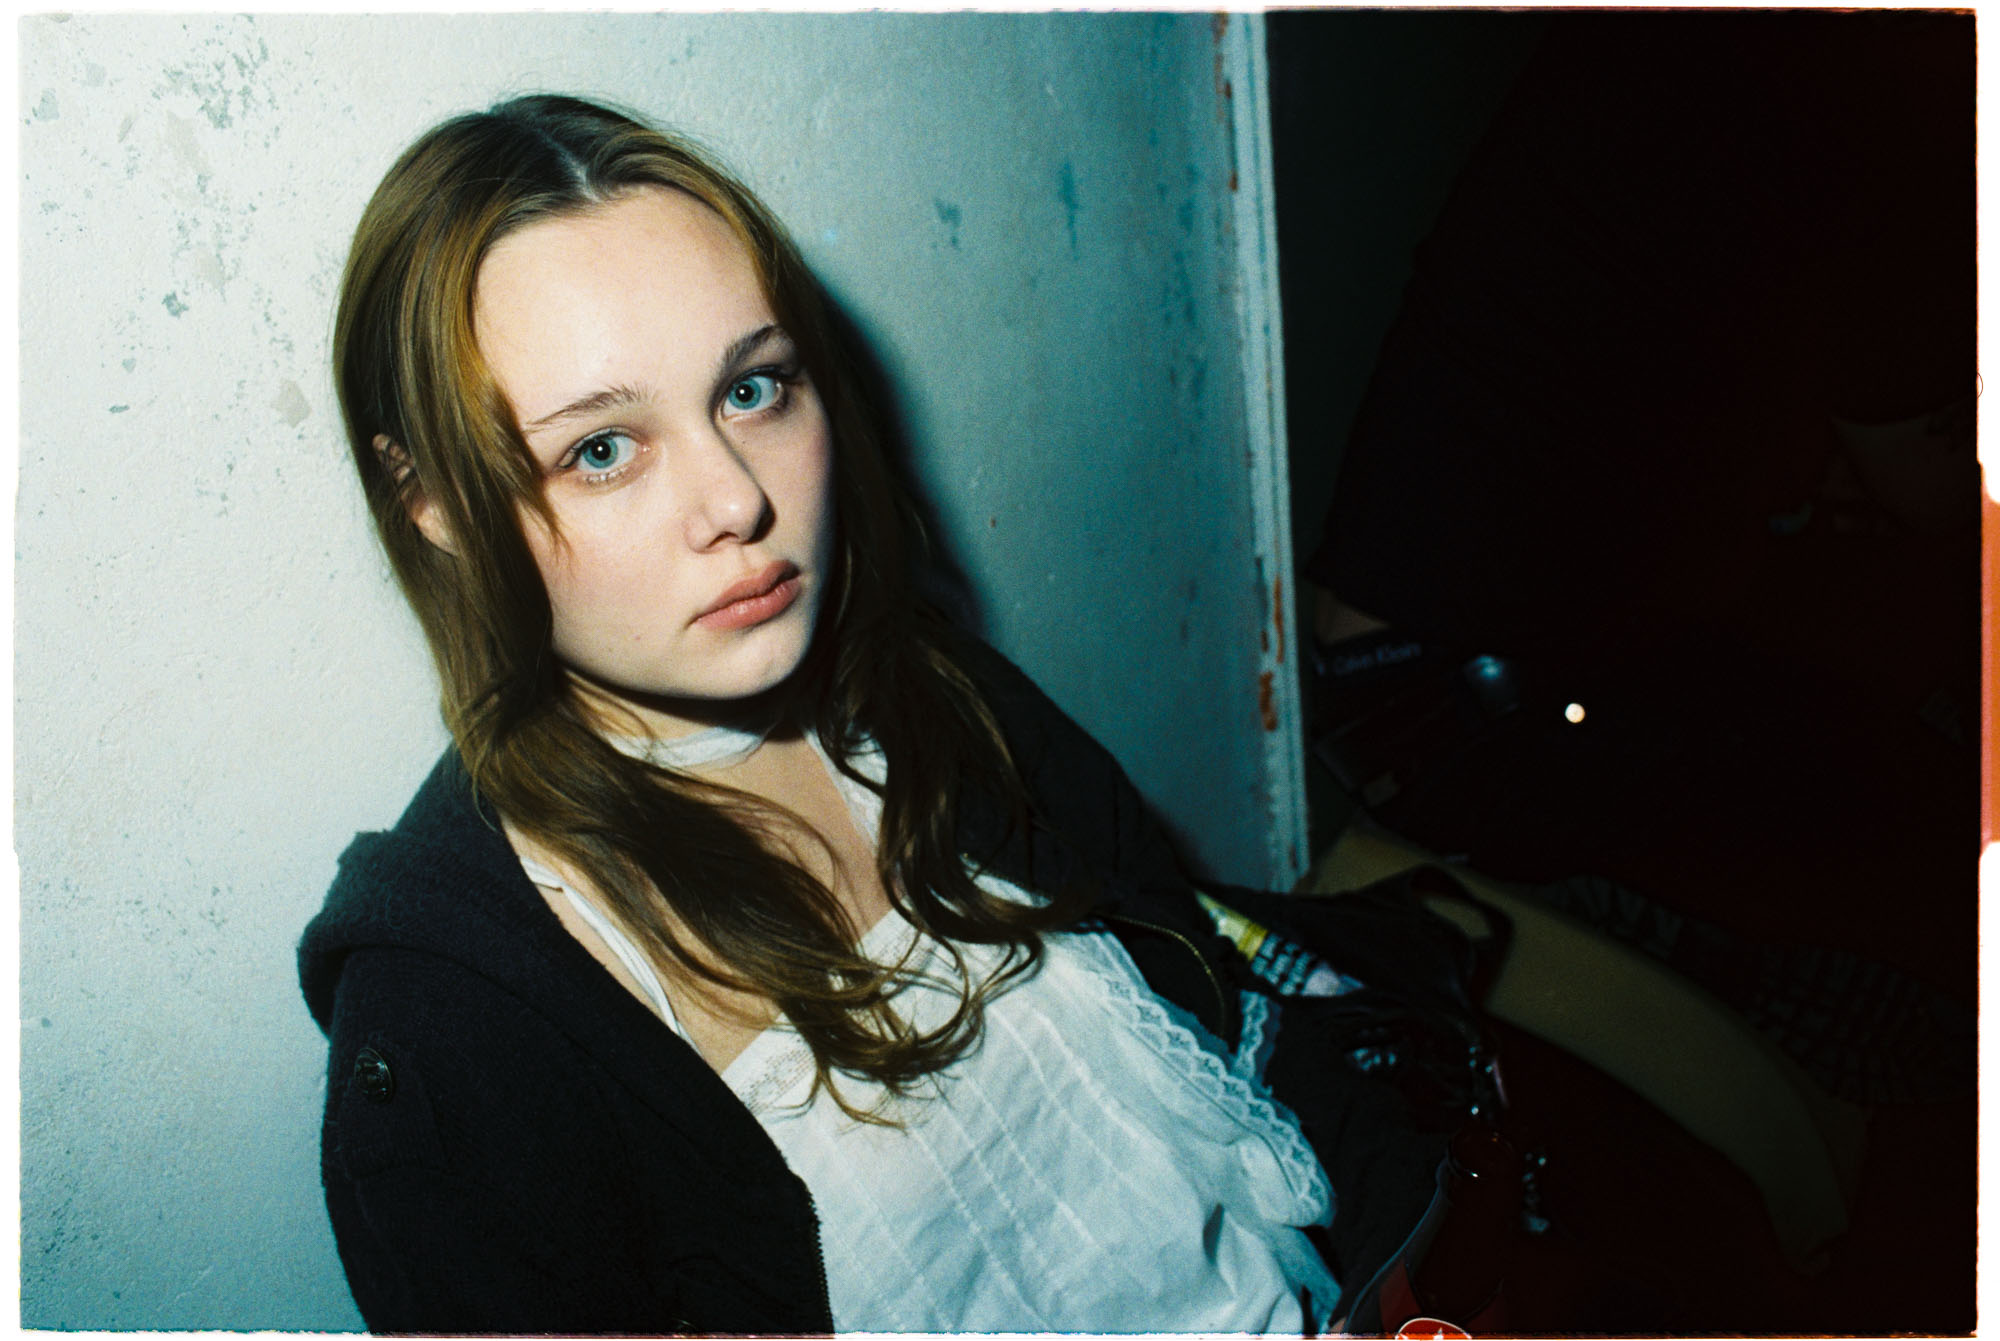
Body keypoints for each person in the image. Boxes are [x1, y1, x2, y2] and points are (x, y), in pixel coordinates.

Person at [296, 94, 1459, 1334]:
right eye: (600, 452)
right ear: (427, 500)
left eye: (751, 389)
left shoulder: (919, 697)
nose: (736, 503)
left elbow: (1218, 1021)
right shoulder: (457, 1033)